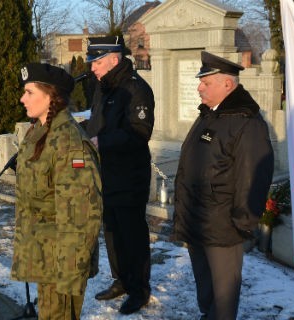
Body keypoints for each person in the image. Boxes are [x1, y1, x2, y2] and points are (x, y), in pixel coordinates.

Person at [172, 51, 274, 320]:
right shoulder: (209, 115)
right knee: (206, 291)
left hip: (223, 226)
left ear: (227, 85)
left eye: (206, 82)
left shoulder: (245, 122)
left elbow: (253, 176)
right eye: (201, 82)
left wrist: (242, 221)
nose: (199, 87)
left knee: (224, 296)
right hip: (197, 220)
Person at [10, 63, 103, 319]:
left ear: (50, 95)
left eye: (29, 92)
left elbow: (82, 216)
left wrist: (69, 276)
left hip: (62, 264)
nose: (22, 98)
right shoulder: (41, 132)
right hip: (46, 257)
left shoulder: (69, 142)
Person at [82, 35, 155, 315]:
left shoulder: (137, 89)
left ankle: (139, 289)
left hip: (129, 175)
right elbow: (99, 122)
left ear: (114, 60)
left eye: (97, 62)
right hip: (105, 174)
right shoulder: (105, 88)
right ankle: (121, 280)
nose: (92, 68)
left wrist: (103, 142)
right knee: (112, 232)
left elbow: (139, 132)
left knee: (132, 235)